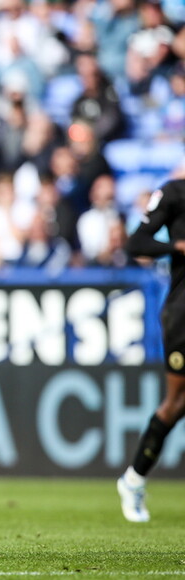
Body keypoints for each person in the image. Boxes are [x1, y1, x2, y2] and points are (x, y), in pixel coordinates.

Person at [117, 178, 185, 522]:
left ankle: (133, 480)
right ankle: (133, 480)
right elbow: (136, 242)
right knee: (176, 403)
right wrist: (177, 247)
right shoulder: (174, 193)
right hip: (183, 314)